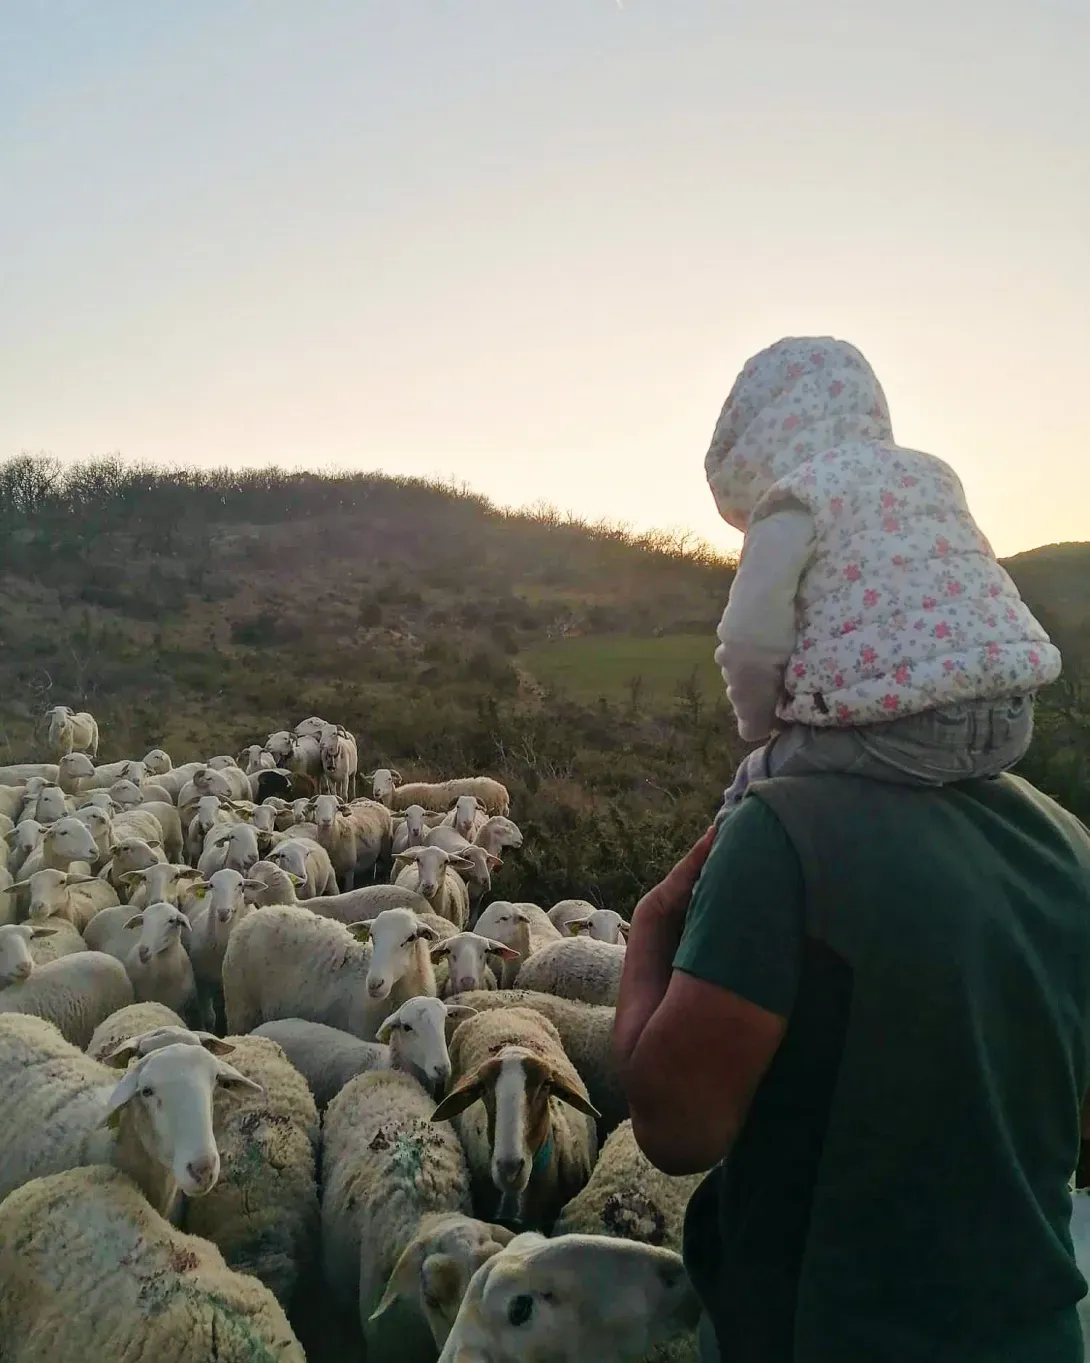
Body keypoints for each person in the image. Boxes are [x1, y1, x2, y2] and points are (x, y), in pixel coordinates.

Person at [613, 769, 1090, 1362]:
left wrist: (652, 921)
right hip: (1030, 1331)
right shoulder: (1063, 838)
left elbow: (674, 1129)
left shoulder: (780, 831)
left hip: (827, 1330)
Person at [703, 337, 1061, 815]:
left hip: (898, 730)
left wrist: (758, 722)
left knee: (753, 784)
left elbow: (750, 638)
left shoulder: (794, 496)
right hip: (1014, 717)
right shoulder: (933, 474)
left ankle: (713, 888)